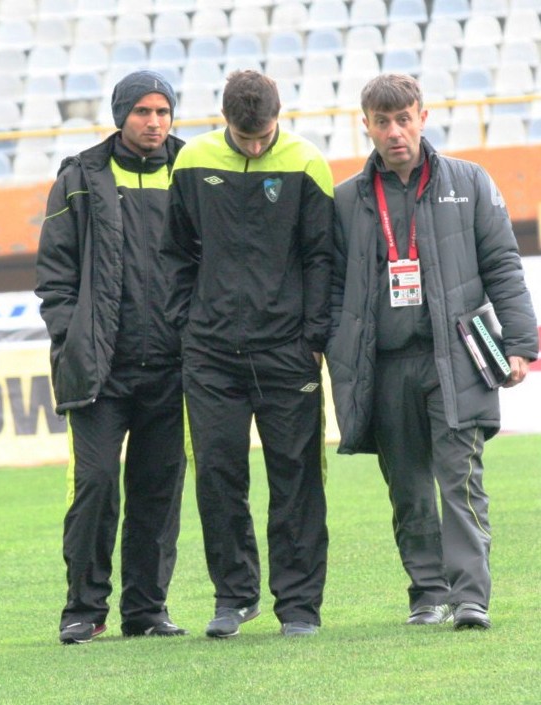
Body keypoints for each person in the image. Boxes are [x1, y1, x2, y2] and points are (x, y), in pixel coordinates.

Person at [326, 73, 538, 630]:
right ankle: (427, 594)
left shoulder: (468, 181)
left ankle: (471, 597)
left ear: (422, 117)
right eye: (382, 121)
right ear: (365, 125)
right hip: (384, 365)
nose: (395, 131)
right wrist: (334, 348)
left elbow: (502, 266)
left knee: (460, 478)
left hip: (459, 357)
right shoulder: (347, 198)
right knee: (408, 488)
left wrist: (520, 344)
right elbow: (329, 288)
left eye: (404, 118)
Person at [161, 70, 334, 638]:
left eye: (263, 137)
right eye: (244, 136)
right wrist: (189, 325)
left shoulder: (307, 162)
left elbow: (320, 258)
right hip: (210, 354)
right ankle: (234, 597)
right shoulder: (191, 162)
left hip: (288, 352)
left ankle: (300, 606)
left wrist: (313, 338)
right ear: (224, 120)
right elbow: (176, 251)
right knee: (217, 474)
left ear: (278, 118)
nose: (255, 146)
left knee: (297, 477)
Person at [35, 70, 187, 645]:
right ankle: (83, 608)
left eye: (163, 111)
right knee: (96, 484)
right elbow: (54, 275)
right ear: (121, 114)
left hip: (173, 370)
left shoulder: (194, 171)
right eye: (143, 111)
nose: (154, 122)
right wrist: (70, 336)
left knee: (158, 490)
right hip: (101, 371)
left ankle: (146, 610)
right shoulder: (78, 177)